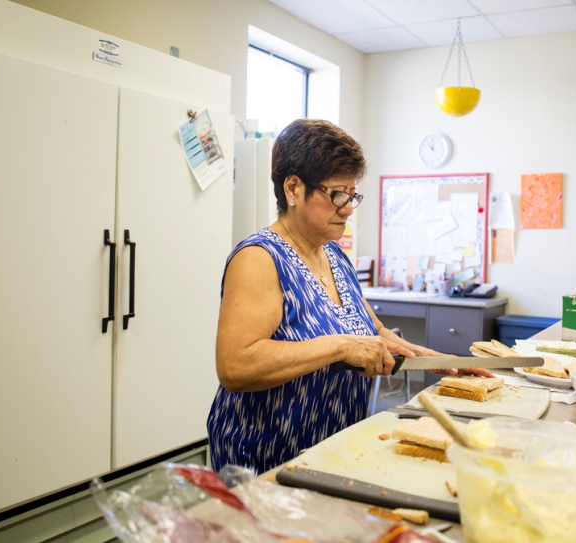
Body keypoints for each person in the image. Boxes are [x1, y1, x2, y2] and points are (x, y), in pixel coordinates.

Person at [207, 119, 490, 474]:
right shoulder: (260, 259)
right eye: (337, 194)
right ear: (293, 188)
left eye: (352, 195)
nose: (348, 208)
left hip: (333, 448)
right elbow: (236, 366)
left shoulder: (334, 255)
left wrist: (438, 359)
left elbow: (375, 334)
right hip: (266, 457)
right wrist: (340, 347)